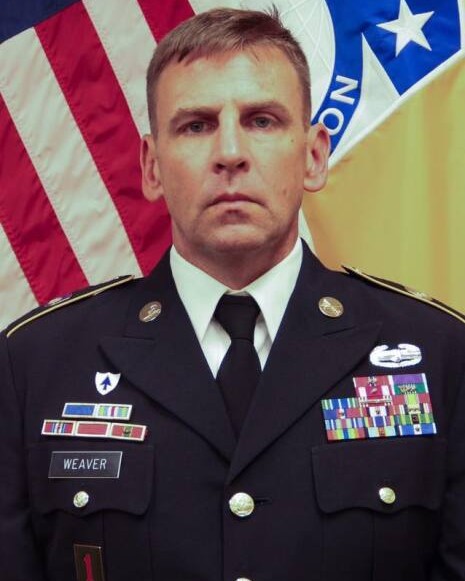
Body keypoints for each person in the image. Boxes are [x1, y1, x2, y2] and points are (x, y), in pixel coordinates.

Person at [1, 7, 464, 581]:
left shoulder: (440, 354)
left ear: (314, 156)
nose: (230, 153)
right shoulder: (35, 366)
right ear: (151, 167)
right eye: (196, 125)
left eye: (262, 121)